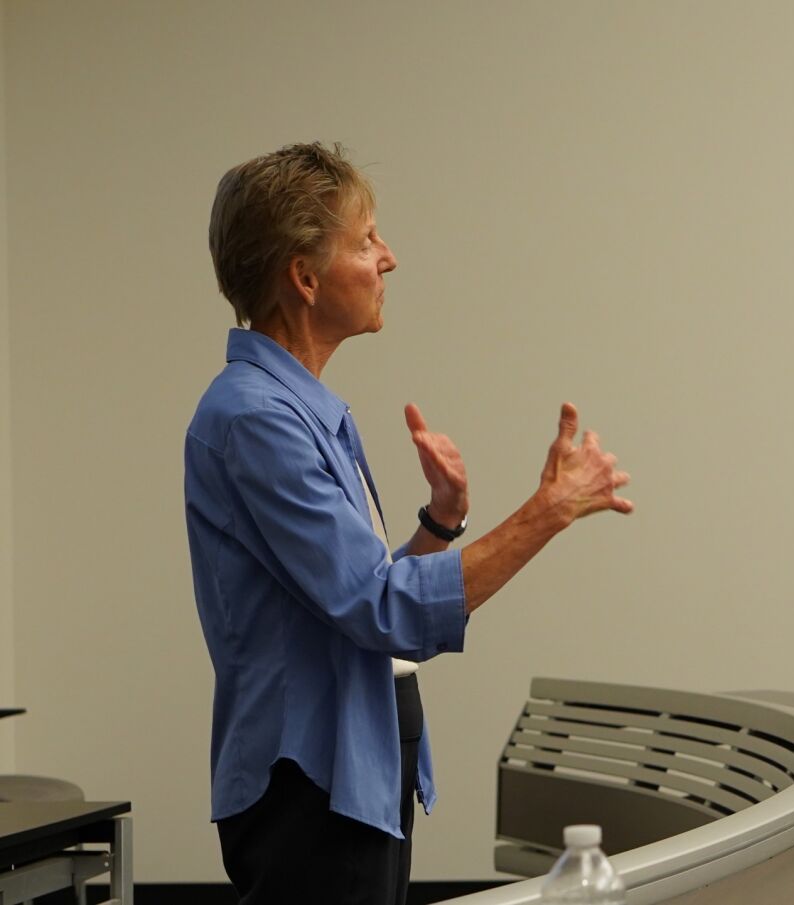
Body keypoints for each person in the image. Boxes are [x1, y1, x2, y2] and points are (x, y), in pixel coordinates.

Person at [185, 141, 633, 904]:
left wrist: (439, 522)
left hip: (348, 770)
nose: (388, 258)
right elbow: (381, 610)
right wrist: (549, 510)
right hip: (311, 789)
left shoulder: (299, 409)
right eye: (365, 241)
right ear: (304, 277)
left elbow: (354, 593)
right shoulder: (258, 419)